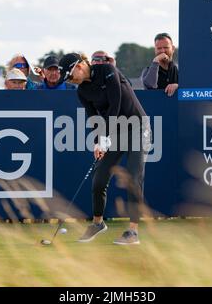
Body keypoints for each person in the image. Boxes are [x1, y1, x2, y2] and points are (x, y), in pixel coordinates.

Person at [59, 52, 150, 245]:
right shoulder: (81, 91)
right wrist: (98, 140)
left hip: (137, 127)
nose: (71, 80)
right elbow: (93, 117)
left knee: (133, 178)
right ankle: (98, 223)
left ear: (80, 66)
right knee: (99, 179)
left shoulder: (107, 70)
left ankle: (133, 231)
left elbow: (115, 103)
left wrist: (105, 136)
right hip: (115, 133)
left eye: (71, 75)